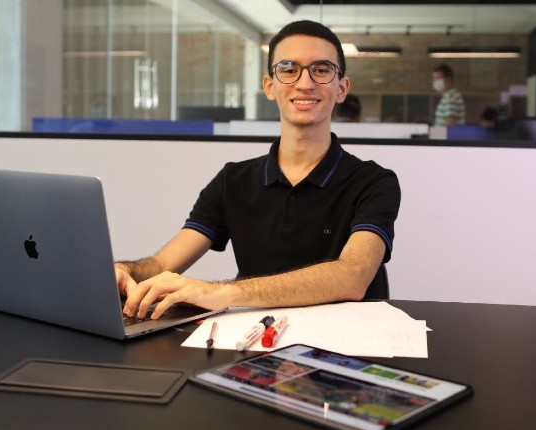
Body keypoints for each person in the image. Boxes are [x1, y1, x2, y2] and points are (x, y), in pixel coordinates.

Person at [115, 20, 401, 320]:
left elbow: (353, 276)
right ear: (269, 86)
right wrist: (125, 270)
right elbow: (163, 264)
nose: (305, 83)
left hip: (349, 347)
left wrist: (220, 292)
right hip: (254, 343)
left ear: (341, 88)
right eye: (289, 69)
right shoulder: (232, 181)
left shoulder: (374, 182)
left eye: (322, 69)